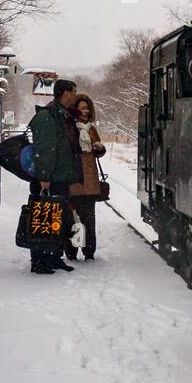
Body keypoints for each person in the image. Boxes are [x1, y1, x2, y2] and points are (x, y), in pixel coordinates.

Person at [26, 79, 82, 274]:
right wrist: (44, 176)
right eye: (74, 92)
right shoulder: (48, 117)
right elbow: (45, 149)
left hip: (59, 177)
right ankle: (40, 261)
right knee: (43, 217)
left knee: (56, 218)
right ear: (65, 93)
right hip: (50, 178)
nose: (76, 96)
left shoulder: (61, 115)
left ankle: (54, 257)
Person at [66, 93, 107, 261]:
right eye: (82, 108)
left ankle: (89, 251)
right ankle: (73, 251)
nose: (85, 110)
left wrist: (99, 148)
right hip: (75, 178)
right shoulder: (70, 127)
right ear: (75, 109)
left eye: (87, 108)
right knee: (74, 217)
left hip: (90, 179)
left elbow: (99, 152)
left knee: (89, 218)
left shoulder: (91, 128)